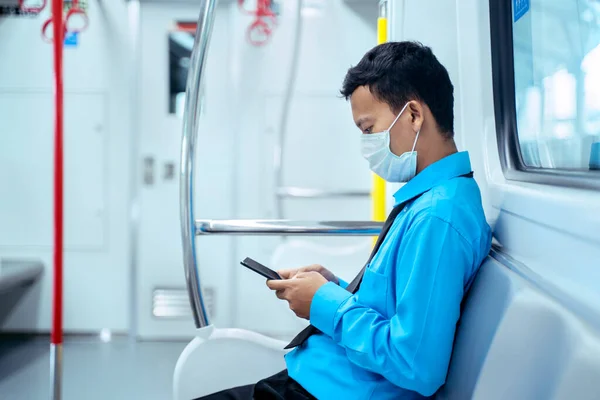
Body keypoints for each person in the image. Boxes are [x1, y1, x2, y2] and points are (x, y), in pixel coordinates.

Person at [197, 41, 492, 400]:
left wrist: (323, 304)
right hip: (319, 377)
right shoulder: (428, 200)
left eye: (369, 129)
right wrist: (332, 286)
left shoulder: (438, 217)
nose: (366, 144)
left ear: (414, 115)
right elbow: (394, 307)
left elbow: (415, 364)